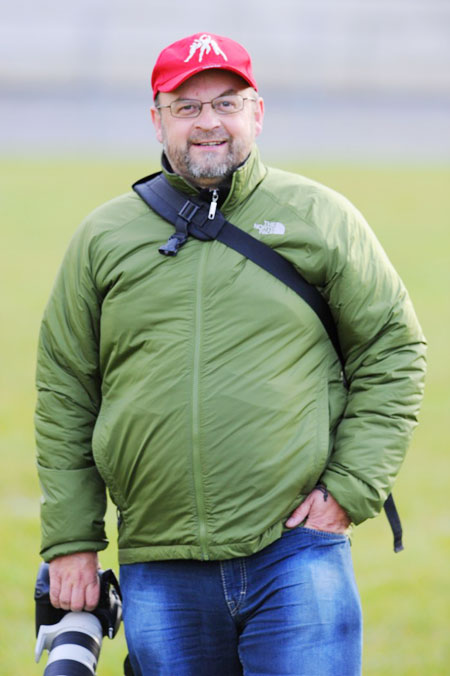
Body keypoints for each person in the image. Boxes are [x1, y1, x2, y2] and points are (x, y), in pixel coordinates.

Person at [35, 32, 427, 675]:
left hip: (295, 551)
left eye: (227, 102)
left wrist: (351, 487)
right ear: (156, 119)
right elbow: (65, 391)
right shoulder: (103, 238)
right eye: (186, 107)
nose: (208, 122)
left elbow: (393, 351)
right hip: (157, 562)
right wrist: (73, 543)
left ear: (258, 113)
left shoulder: (319, 217)